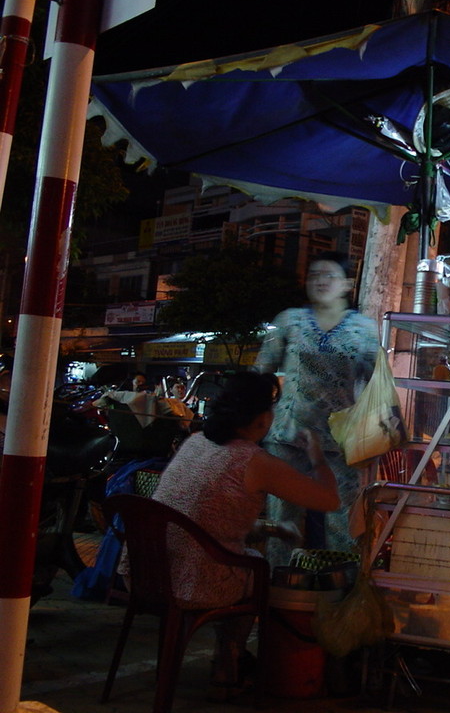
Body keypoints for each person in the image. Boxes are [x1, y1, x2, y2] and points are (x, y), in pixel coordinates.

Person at [146, 371, 340, 700]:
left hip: (147, 572)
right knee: (256, 570)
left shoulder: (196, 443)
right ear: (263, 418)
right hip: (191, 581)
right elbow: (329, 500)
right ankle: (228, 665)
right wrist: (317, 456)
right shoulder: (253, 460)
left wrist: (270, 528)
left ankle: (227, 661)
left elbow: (207, 516)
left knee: (247, 560)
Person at [254, 252, 379, 566]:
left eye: (329, 275)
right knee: (282, 525)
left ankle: (340, 598)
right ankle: (277, 595)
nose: (320, 281)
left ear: (348, 284)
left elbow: (379, 384)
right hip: (287, 440)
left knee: (343, 528)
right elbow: (260, 372)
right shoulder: (288, 320)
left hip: (340, 445)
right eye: (313, 275)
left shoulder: (366, 329)